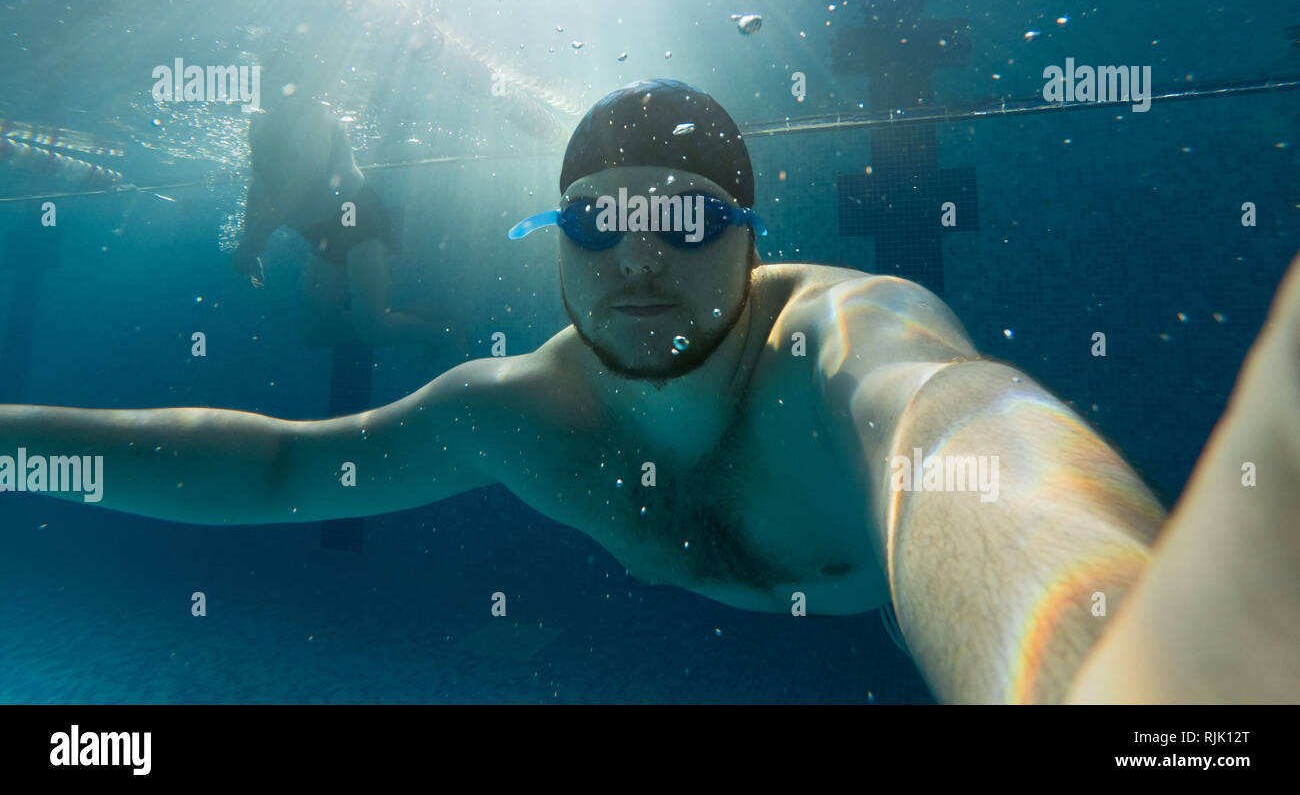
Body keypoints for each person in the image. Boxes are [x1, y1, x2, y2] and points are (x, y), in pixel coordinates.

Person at [3, 80, 1297, 703]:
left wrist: (1124, 682)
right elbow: (286, 463)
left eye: (681, 220)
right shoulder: (517, 412)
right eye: (595, 221)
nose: (634, 258)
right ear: (555, 239)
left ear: (752, 236)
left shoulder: (847, 342)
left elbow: (956, 435)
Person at [231, 98, 445, 347]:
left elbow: (311, 171)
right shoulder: (261, 121)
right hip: (323, 232)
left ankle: (445, 334)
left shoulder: (314, 112)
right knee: (315, 333)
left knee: (373, 327)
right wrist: (249, 242)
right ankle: (425, 318)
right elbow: (259, 182)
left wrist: (256, 239)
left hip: (355, 216)